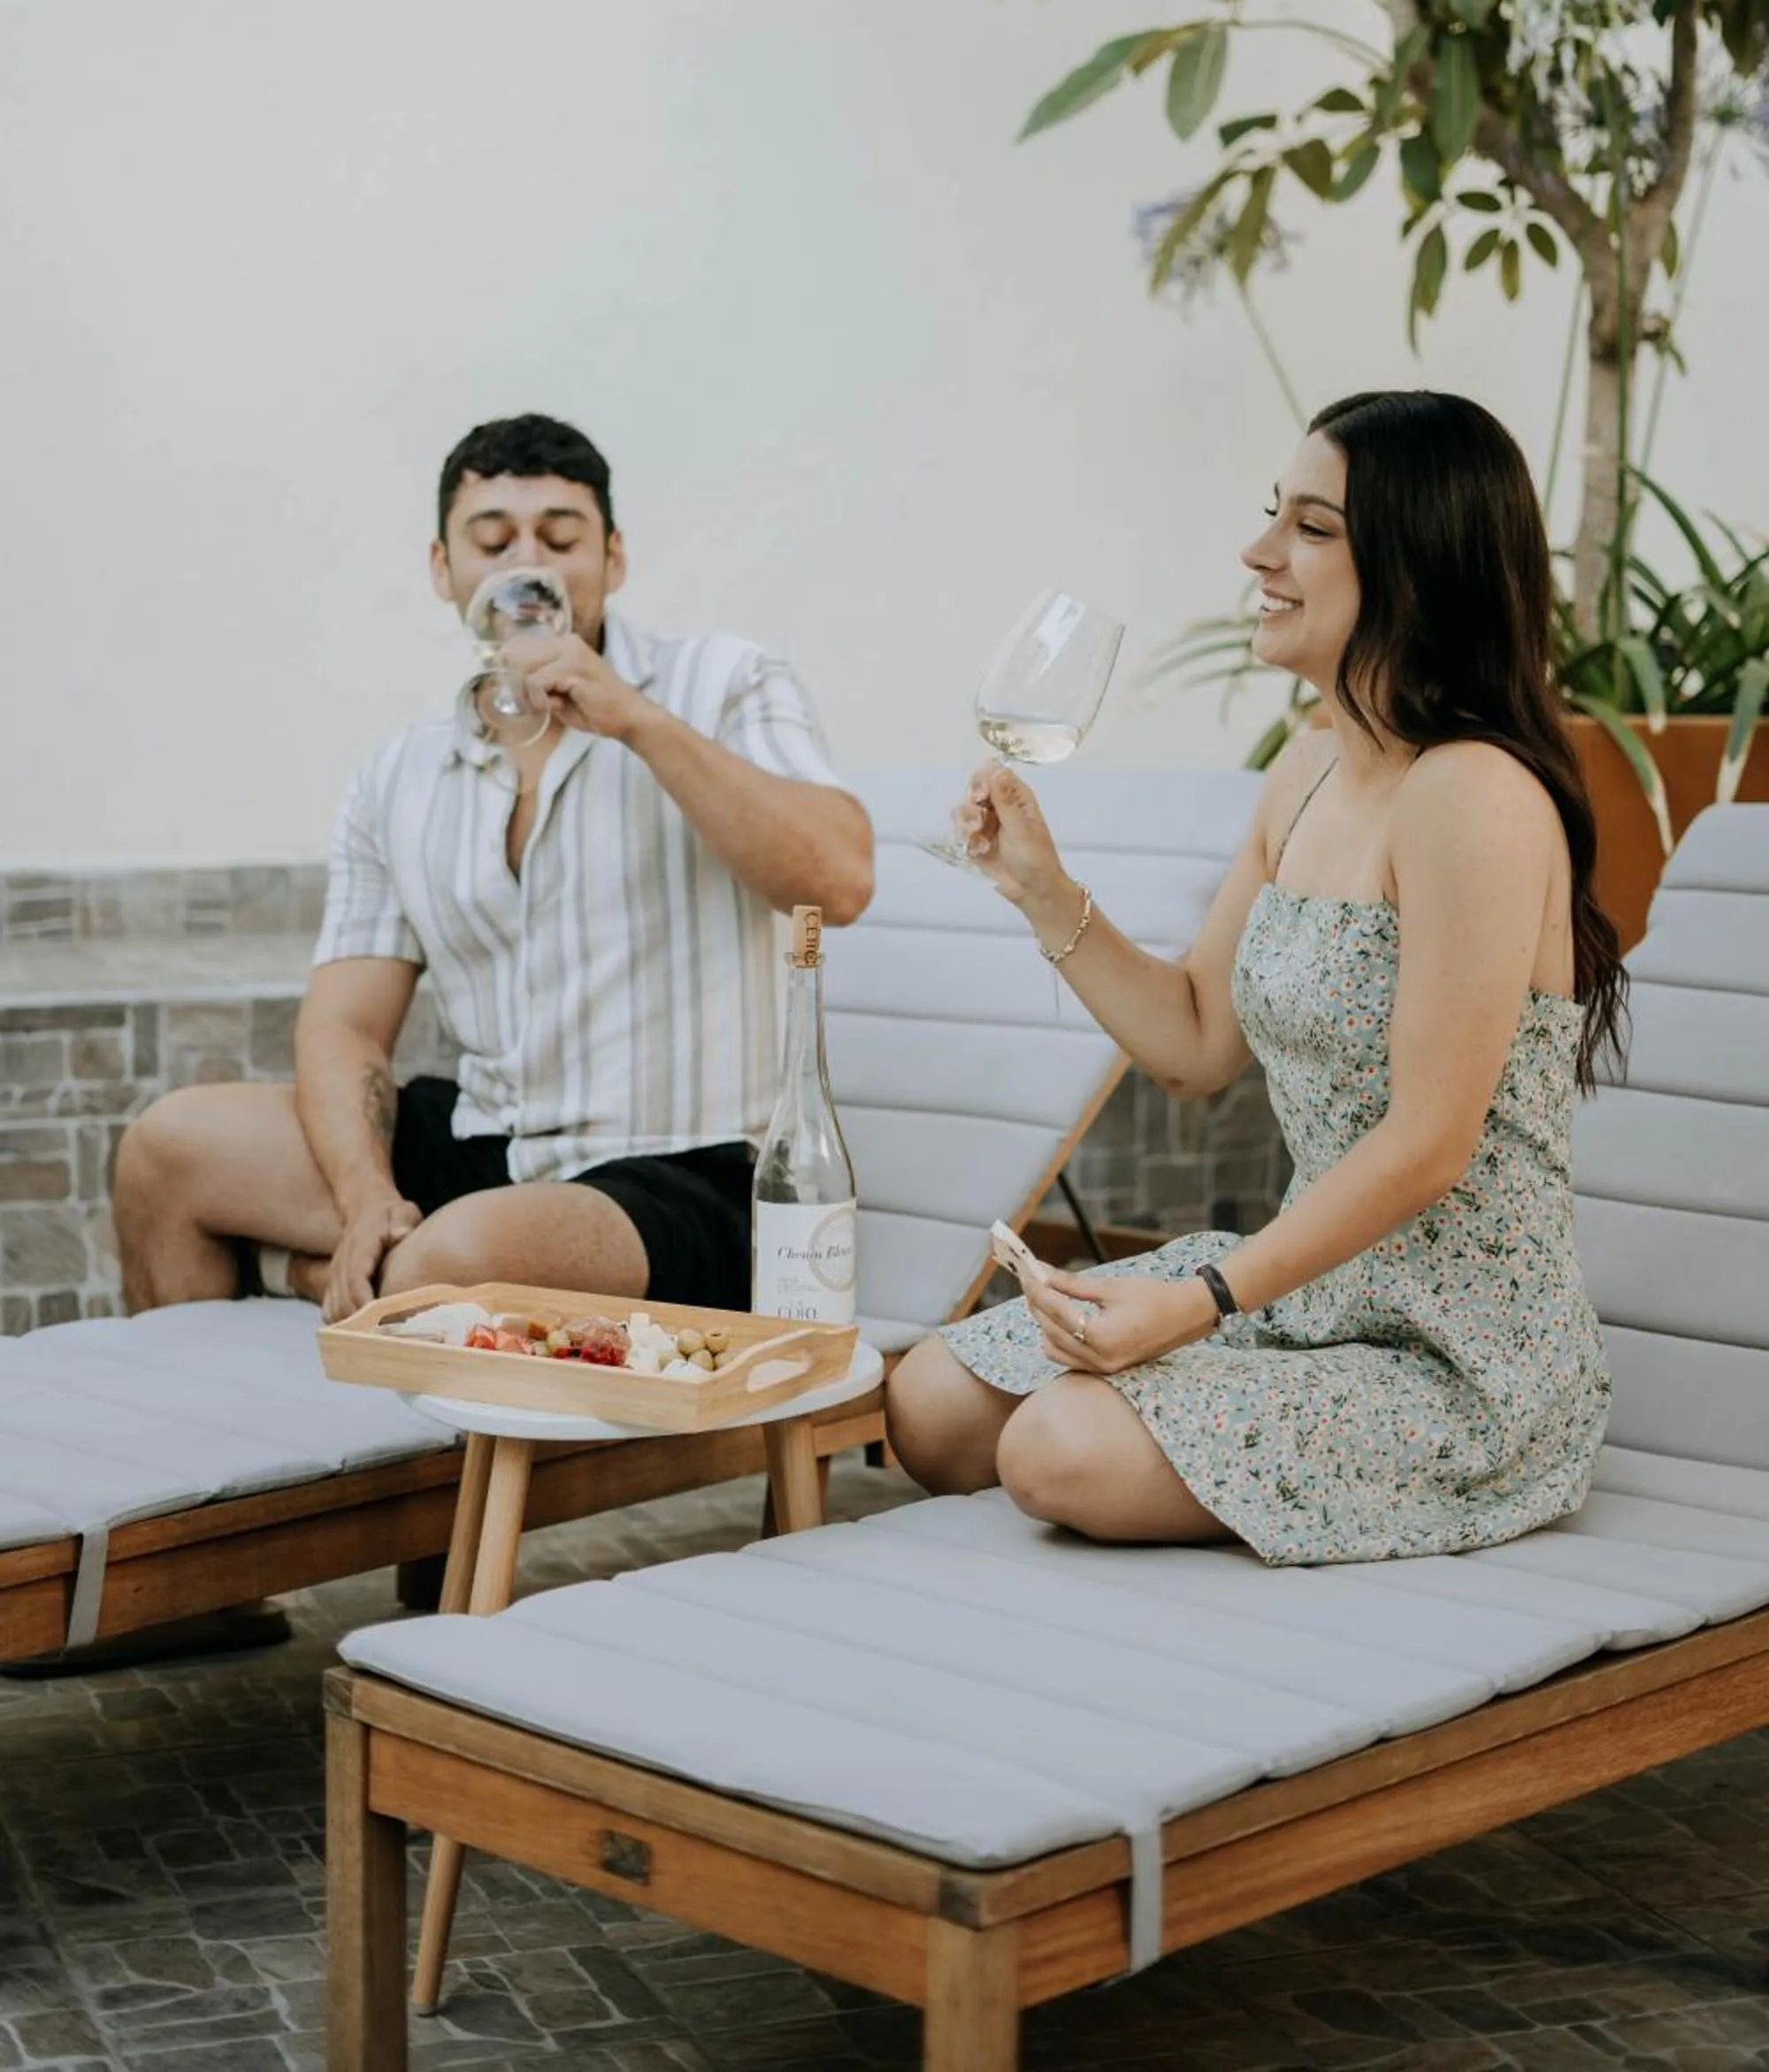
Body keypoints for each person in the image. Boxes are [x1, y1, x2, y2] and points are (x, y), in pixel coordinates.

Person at [887, 388, 1625, 1564]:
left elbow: (1430, 1143)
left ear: (1418, 567)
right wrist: (1039, 885)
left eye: (1312, 527)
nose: (1258, 552)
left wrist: (1193, 1303)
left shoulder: (1475, 795)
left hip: (1454, 1361)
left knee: (1054, 1450)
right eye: (1273, 514)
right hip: (1305, 1305)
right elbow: (1191, 1041)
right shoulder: (1311, 769)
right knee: (927, 1404)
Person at [114, 412, 874, 1327]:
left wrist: (635, 719)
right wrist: (363, 1199)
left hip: (686, 1177)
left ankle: (314, 1279)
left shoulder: (723, 682)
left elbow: (838, 882)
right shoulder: (399, 774)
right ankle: (247, 1435)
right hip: (490, 1148)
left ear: (613, 559)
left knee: (454, 1255)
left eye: (560, 538)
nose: (528, 564)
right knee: (169, 1151)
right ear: (444, 569)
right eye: (493, 539)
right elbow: (346, 1030)